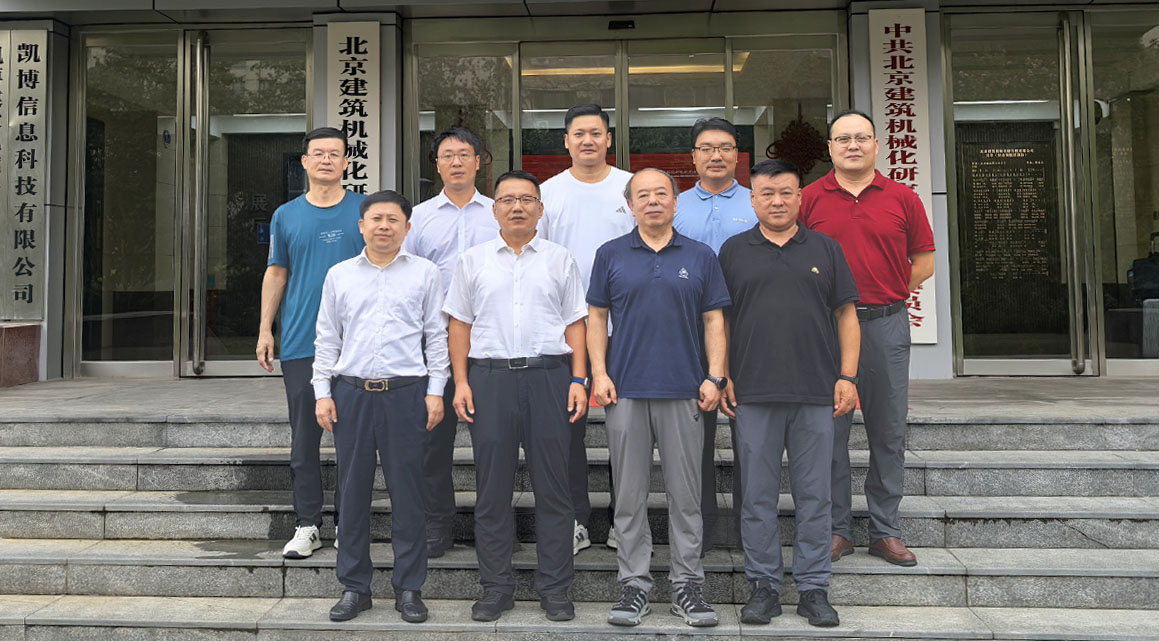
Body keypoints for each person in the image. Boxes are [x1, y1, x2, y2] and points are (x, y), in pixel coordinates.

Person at [719, 159, 860, 628]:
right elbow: (720, 320)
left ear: (800, 197)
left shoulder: (826, 248)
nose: (777, 201)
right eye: (767, 193)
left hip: (816, 392)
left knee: (815, 495)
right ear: (752, 199)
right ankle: (763, 586)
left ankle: (814, 588)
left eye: (786, 192)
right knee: (757, 497)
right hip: (753, 392)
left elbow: (846, 315)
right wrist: (722, 374)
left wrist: (847, 376)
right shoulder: (733, 251)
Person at [445, 170, 590, 622]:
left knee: (555, 490)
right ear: (495, 210)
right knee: (491, 491)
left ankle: (555, 589)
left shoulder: (560, 259)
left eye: (527, 199)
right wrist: (461, 381)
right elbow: (459, 325)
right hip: (490, 381)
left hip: (550, 378)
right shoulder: (472, 261)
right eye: (507, 199)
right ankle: (496, 588)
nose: (517, 207)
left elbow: (576, 323)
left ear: (540, 209)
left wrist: (579, 379)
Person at [588, 168, 730, 628]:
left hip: (685, 390)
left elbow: (714, 320)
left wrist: (715, 376)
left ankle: (688, 585)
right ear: (630, 205)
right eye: (643, 195)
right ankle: (634, 585)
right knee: (628, 497)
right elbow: (596, 318)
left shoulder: (701, 255)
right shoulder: (610, 254)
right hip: (625, 391)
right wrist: (598, 373)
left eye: (661, 193)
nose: (652, 201)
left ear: (675, 202)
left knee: (686, 496)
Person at [800, 109, 936, 567]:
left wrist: (889, 290)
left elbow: (924, 261)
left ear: (877, 145)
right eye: (843, 139)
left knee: (888, 430)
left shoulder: (902, 198)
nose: (853, 145)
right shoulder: (808, 199)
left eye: (862, 138)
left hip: (884, 325)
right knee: (827, 431)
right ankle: (837, 529)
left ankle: (885, 530)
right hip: (825, 329)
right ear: (830, 148)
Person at [311, 190, 448, 623]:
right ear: (362, 226)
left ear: (407, 228)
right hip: (350, 394)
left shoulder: (425, 273)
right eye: (376, 219)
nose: (384, 226)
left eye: (393, 220)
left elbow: (436, 336)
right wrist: (322, 392)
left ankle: (409, 588)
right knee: (352, 493)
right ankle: (355, 587)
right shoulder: (340, 275)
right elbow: (327, 337)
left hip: (407, 393)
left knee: (409, 494)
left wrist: (436, 390)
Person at [256, 127, 366, 559]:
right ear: (304, 162)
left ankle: (348, 523)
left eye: (334, 154)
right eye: (318, 153)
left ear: (346, 162)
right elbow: (277, 272)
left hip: (358, 344)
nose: (326, 160)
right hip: (302, 340)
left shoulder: (364, 210)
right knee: (304, 440)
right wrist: (266, 329)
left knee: (352, 440)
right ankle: (307, 524)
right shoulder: (286, 215)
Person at [540, 103, 635, 554]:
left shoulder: (630, 187)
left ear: (609, 139)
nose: (588, 141)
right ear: (566, 141)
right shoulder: (549, 192)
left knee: (627, 432)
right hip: (568, 329)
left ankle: (623, 521)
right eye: (579, 133)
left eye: (596, 133)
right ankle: (576, 519)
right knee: (568, 431)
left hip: (627, 328)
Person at [403, 126, 499, 558]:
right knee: (432, 440)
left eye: (464, 154)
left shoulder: (500, 212)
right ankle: (436, 525)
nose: (456, 162)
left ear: (479, 162)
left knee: (493, 441)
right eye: (447, 155)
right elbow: (408, 278)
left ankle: (493, 528)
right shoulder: (419, 218)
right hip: (435, 343)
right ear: (437, 164)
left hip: (493, 342)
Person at [674, 117, 756, 556]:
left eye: (725, 147)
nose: (716, 155)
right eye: (706, 148)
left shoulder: (756, 201)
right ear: (693, 156)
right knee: (694, 439)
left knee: (751, 436)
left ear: (737, 155)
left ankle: (749, 531)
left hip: (750, 327)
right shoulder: (676, 205)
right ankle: (699, 532)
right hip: (691, 332)